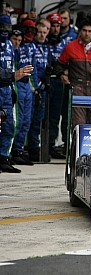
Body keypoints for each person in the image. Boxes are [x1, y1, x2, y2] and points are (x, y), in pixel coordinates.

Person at [55, 19, 91, 130]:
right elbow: (58, 65)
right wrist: (62, 75)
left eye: (90, 31)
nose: (87, 33)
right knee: (77, 125)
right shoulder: (70, 47)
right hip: (76, 88)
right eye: (84, 30)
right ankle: (76, 147)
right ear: (80, 31)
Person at [0, 14, 33, 173]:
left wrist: (12, 87)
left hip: (6, 89)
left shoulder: (8, 46)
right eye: (2, 27)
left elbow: (11, 67)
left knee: (9, 125)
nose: (4, 31)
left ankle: (3, 158)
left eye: (7, 28)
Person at [10, 19, 40, 166]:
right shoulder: (13, 48)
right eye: (27, 29)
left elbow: (33, 67)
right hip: (16, 85)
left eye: (32, 30)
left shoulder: (33, 47)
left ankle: (18, 150)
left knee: (26, 121)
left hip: (27, 86)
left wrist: (36, 88)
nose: (29, 33)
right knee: (17, 121)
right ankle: (10, 151)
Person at [45, 12, 68, 159]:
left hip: (59, 82)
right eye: (52, 25)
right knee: (45, 116)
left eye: (57, 25)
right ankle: (45, 145)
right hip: (47, 81)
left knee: (57, 115)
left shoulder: (65, 42)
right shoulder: (43, 41)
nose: (55, 28)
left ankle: (54, 145)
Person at [27, 21, 50, 162]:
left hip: (44, 88)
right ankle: (25, 148)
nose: (42, 35)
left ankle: (35, 148)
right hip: (33, 87)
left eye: (44, 32)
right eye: (39, 32)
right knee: (27, 120)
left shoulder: (46, 47)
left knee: (38, 121)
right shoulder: (31, 47)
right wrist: (37, 86)